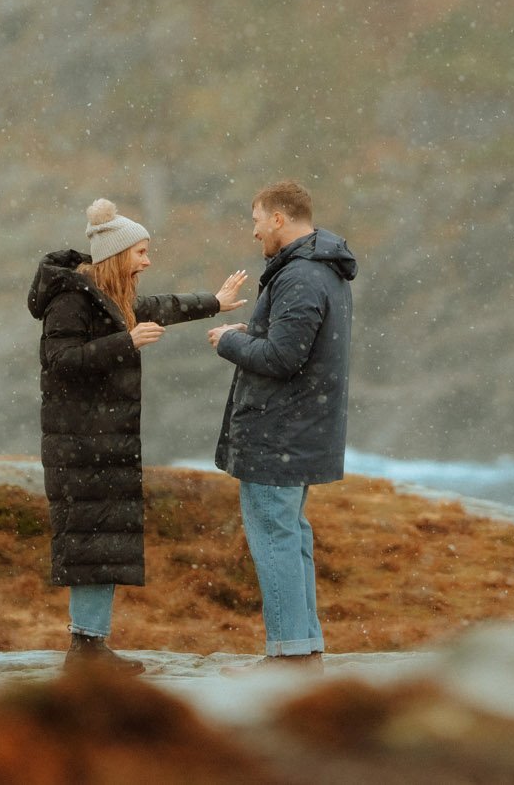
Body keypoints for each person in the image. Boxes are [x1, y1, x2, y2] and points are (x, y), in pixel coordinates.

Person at [28, 197, 249, 671]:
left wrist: (214, 302)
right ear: (118, 254)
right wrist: (123, 343)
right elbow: (59, 363)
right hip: (80, 445)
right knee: (90, 542)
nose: (148, 261)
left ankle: (90, 647)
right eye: (142, 252)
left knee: (101, 541)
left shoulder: (112, 300)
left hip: (102, 444)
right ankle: (86, 651)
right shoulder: (70, 301)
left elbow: (158, 305)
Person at [207, 179, 357, 669]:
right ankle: (304, 647)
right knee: (290, 536)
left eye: (255, 221)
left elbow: (282, 357)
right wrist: (247, 332)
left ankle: (290, 655)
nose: (253, 233)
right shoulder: (319, 270)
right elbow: (291, 346)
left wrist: (229, 341)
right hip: (298, 430)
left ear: (277, 219)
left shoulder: (300, 277)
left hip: (278, 434)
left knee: (275, 537)